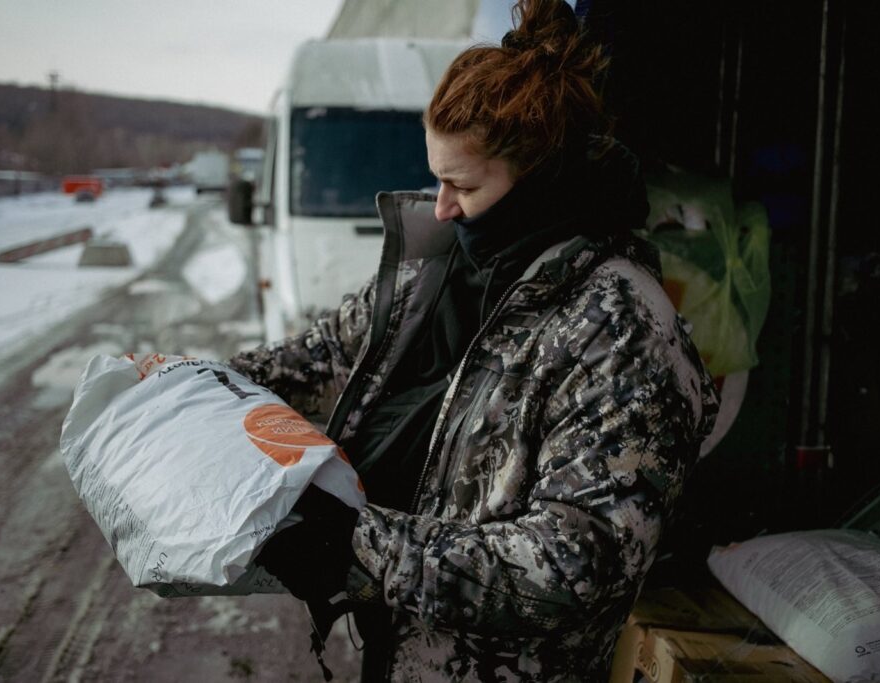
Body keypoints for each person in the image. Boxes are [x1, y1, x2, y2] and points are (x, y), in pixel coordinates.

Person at [234, 1, 719, 680]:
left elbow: (573, 567)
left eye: (462, 184)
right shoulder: (447, 271)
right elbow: (326, 353)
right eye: (437, 178)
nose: (441, 208)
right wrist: (195, 381)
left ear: (540, 177)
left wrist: (359, 543)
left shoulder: (621, 331)